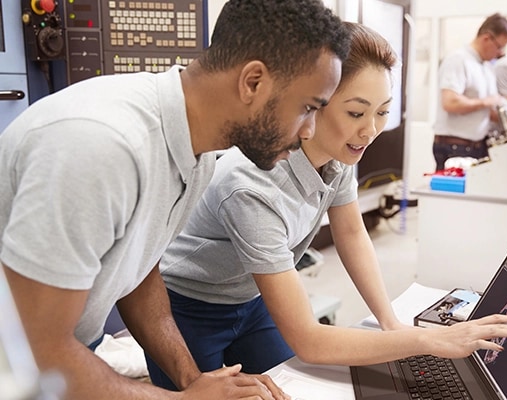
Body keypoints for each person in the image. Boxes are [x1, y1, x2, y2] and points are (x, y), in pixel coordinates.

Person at [146, 22, 507, 389]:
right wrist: (426, 341)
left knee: (287, 388)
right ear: (316, 102)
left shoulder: (339, 153)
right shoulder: (251, 183)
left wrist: (391, 322)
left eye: (381, 112)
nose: (370, 130)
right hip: (189, 307)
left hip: (251, 297)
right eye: (356, 113)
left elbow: (350, 232)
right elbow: (310, 342)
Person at [0, 0, 350, 399]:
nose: (309, 131)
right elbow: (37, 351)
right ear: (253, 82)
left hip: (62, 348)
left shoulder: (195, 149)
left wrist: (192, 379)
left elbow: (137, 268)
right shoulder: (101, 148)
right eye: (308, 108)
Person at [432, 13, 507, 171]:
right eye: (499, 46)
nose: (500, 53)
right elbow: (450, 102)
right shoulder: (458, 60)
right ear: (486, 38)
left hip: (477, 146)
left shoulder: (485, 66)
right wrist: (486, 102)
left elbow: (483, 110)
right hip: (455, 147)